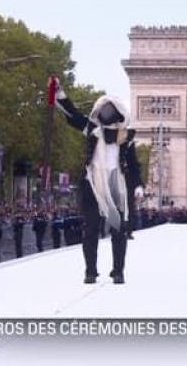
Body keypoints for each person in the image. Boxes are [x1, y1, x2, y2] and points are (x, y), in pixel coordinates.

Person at [55, 83, 144, 285]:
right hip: (93, 183)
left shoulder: (126, 137)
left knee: (119, 230)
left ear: (118, 113)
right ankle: (90, 271)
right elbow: (73, 115)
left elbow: (133, 164)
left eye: (109, 110)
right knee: (90, 229)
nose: (105, 113)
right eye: (103, 110)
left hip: (116, 185)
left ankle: (118, 271)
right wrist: (60, 94)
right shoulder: (92, 129)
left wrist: (138, 184)